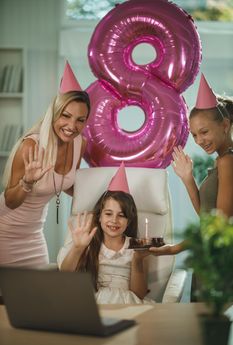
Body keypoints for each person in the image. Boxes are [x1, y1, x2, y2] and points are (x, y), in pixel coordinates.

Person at [0, 61, 90, 267]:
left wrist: (103, 197)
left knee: (38, 292)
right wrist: (27, 182)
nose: (71, 126)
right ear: (54, 114)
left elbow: (67, 185)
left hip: (33, 233)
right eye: (66, 116)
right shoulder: (30, 145)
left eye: (80, 120)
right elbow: (10, 201)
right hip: (5, 230)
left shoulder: (79, 143)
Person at [149, 73, 233, 256]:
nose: (200, 140)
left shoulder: (228, 161)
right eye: (194, 135)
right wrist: (188, 178)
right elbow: (207, 217)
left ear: (225, 125)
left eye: (204, 132)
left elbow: (219, 225)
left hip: (219, 260)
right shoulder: (222, 160)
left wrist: (174, 249)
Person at [57, 163, 155, 304]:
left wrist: (137, 259)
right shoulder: (87, 241)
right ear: (99, 216)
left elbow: (138, 294)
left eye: (121, 215)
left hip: (127, 304)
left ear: (129, 220)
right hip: (93, 302)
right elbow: (65, 274)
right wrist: (78, 248)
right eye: (108, 214)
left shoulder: (136, 247)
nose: (114, 220)